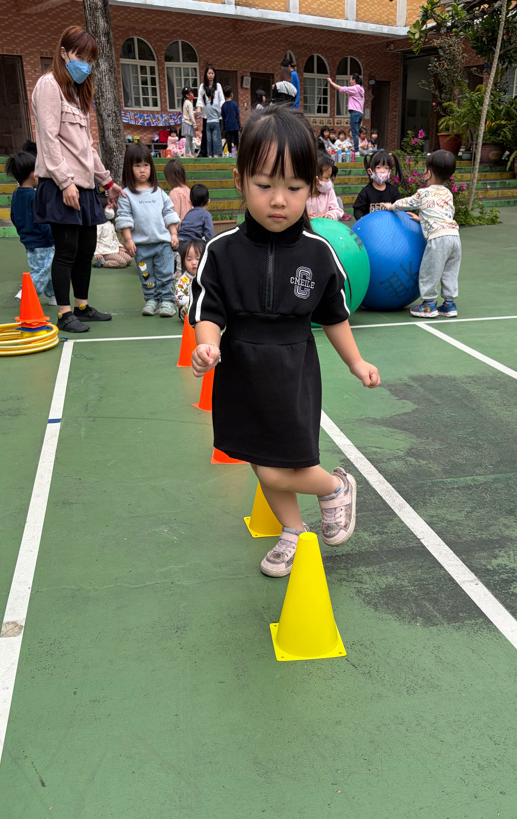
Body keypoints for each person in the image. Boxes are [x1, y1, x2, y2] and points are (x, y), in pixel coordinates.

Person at [188, 104, 380, 578]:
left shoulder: (318, 252)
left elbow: (334, 315)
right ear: (239, 181)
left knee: (284, 464)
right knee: (259, 461)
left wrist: (355, 362)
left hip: (293, 371)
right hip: (240, 371)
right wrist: (207, 345)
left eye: (293, 188)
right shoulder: (221, 250)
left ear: (312, 187)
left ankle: (335, 488)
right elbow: (208, 310)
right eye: (265, 185)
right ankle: (293, 530)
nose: (279, 200)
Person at [31, 25, 122, 333]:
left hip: (84, 187)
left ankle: (82, 306)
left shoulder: (76, 93)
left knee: (86, 250)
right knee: (67, 250)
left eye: (89, 59)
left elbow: (86, 147)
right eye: (80, 56)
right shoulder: (49, 85)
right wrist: (65, 181)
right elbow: (48, 138)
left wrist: (107, 182)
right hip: (61, 186)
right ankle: (64, 313)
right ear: (63, 53)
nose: (85, 64)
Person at [381, 149, 461, 318]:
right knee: (450, 271)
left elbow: (407, 203)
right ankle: (449, 304)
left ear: (428, 173)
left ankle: (429, 304)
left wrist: (391, 206)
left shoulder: (424, 193)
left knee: (429, 270)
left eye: (424, 170)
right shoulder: (448, 193)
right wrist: (423, 219)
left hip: (438, 239)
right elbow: (445, 214)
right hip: (454, 236)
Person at [115, 143, 180, 317]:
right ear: (129, 169)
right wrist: (129, 240)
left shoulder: (158, 192)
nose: (142, 170)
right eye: (137, 165)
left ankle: (167, 301)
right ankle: (151, 299)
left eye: (146, 165)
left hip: (162, 243)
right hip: (141, 246)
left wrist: (173, 233)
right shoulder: (126, 195)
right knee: (146, 275)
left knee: (165, 273)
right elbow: (124, 218)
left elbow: (169, 213)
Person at [5, 147, 56, 304]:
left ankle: (54, 295)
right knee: (44, 269)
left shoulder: (16, 194)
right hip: (43, 241)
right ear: (33, 174)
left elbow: (13, 217)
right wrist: (53, 237)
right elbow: (43, 221)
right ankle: (27, 292)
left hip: (29, 240)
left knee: (47, 269)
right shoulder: (35, 196)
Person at [353, 150, 402, 220]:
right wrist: (362, 220)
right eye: (378, 167)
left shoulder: (393, 191)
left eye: (386, 168)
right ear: (370, 171)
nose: (382, 171)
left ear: (390, 172)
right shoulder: (366, 192)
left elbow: (400, 208)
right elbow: (358, 210)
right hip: (371, 225)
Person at [327, 72, 364, 153]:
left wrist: (331, 82)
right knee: (356, 132)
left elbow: (341, 89)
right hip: (360, 113)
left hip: (355, 112)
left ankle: (356, 151)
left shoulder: (354, 88)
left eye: (350, 79)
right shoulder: (361, 89)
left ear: (354, 80)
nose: (350, 81)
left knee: (354, 132)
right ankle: (356, 149)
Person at [197, 66, 225, 159]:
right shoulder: (202, 86)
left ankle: (216, 153)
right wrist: (198, 108)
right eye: (209, 73)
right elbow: (200, 99)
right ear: (206, 74)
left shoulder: (218, 86)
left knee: (216, 136)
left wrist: (221, 107)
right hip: (207, 115)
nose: (210, 75)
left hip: (216, 116)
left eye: (212, 73)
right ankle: (206, 153)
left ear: (214, 74)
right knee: (206, 135)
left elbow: (222, 99)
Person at [93, 203, 132, 268]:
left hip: (114, 249)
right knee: (122, 263)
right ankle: (101, 263)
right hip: (105, 252)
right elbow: (95, 239)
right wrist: (96, 252)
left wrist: (119, 246)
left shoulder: (110, 224)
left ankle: (109, 260)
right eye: (109, 208)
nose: (111, 210)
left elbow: (114, 238)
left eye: (112, 209)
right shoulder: (99, 225)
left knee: (129, 259)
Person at [175, 238, 205, 321]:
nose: (194, 263)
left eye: (198, 258)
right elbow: (178, 298)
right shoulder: (184, 280)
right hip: (188, 309)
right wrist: (194, 300)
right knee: (190, 306)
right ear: (184, 261)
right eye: (189, 259)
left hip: (204, 306)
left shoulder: (208, 277)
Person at [306, 153, 342, 220]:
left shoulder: (329, 191)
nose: (329, 181)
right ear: (315, 179)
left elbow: (337, 210)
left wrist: (330, 215)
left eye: (330, 177)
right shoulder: (302, 194)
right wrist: (304, 217)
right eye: (326, 178)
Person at [202, 91, 223, 158]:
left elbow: (205, 113)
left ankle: (210, 154)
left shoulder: (205, 104)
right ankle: (216, 153)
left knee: (209, 139)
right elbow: (219, 113)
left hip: (208, 122)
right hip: (215, 121)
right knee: (215, 138)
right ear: (213, 94)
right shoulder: (215, 104)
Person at [221, 88, 241, 154]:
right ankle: (238, 152)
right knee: (236, 140)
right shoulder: (235, 104)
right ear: (231, 94)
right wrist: (239, 126)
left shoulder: (223, 106)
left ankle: (230, 153)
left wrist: (223, 128)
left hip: (227, 126)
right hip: (235, 125)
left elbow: (223, 117)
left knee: (229, 141)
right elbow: (237, 115)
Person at [181, 86, 196, 156]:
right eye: (191, 93)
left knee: (189, 139)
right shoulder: (189, 103)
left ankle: (191, 152)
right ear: (187, 95)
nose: (192, 94)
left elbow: (189, 113)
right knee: (189, 139)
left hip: (186, 122)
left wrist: (195, 112)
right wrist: (195, 125)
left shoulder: (185, 102)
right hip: (188, 123)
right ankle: (188, 153)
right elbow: (191, 115)